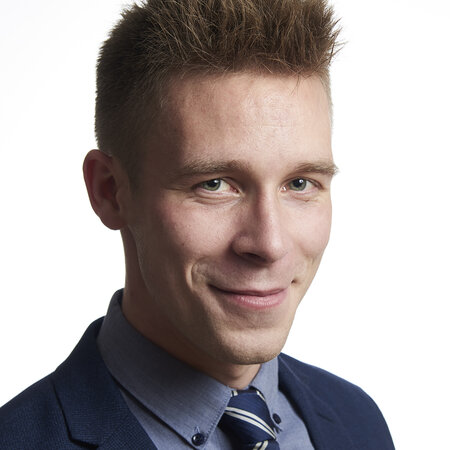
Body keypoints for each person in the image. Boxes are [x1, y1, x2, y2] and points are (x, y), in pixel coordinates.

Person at [0, 0, 395, 448]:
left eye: (300, 183)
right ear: (110, 191)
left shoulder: (358, 422)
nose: (270, 243)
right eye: (214, 184)